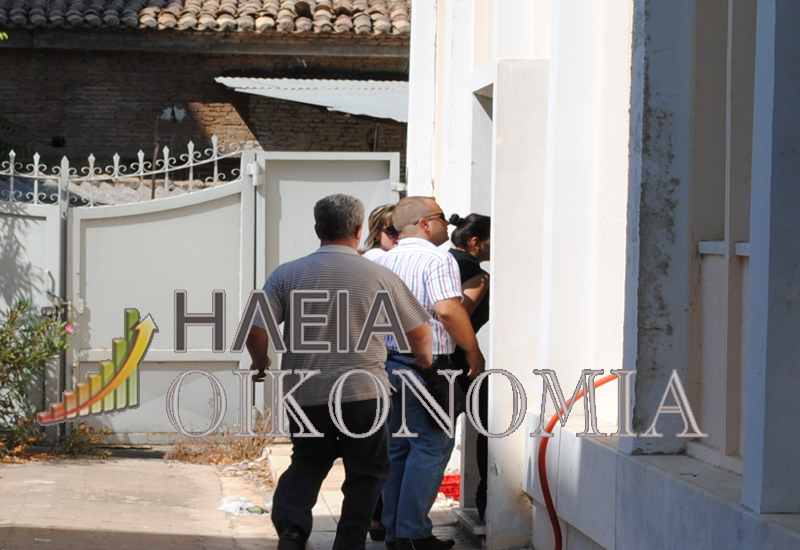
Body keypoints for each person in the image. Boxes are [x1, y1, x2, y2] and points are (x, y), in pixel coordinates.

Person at [246, 194, 434, 550]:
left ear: (318, 228)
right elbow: (420, 333)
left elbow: (256, 331)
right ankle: (349, 541)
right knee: (368, 470)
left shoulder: (286, 275)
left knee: (307, 462)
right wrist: (423, 356)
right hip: (364, 395)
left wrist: (260, 364)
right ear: (359, 229)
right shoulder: (380, 275)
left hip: (306, 393)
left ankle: (292, 531)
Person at [377, 196, 486, 550]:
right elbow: (448, 310)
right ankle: (412, 533)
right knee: (432, 446)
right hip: (429, 367)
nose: (447, 225)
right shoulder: (437, 258)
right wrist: (472, 350)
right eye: (441, 218)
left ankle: (396, 531)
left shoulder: (384, 259)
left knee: (399, 448)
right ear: (424, 223)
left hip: (390, 362)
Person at [360, 202, 400, 543]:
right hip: (379, 362)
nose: (398, 237)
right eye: (391, 231)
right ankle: (377, 517)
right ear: (377, 232)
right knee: (383, 445)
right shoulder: (375, 262)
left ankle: (378, 517)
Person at [448, 213, 491, 522]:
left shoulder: (441, 262)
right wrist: (474, 352)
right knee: (490, 424)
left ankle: (383, 513)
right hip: (457, 361)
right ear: (475, 242)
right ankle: (485, 499)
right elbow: (457, 318)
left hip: (421, 358)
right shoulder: (476, 274)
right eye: (491, 240)